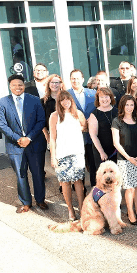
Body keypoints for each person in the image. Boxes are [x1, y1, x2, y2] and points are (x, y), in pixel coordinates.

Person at [0, 74, 47, 213]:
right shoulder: (2, 103)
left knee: (38, 174)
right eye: (14, 85)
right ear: (10, 86)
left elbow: (41, 120)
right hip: (15, 146)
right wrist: (18, 138)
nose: (18, 87)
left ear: (24, 85)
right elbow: (1, 125)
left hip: (34, 143)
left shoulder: (35, 100)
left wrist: (28, 138)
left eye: (20, 84)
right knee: (21, 175)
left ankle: (40, 200)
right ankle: (26, 202)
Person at [112, 94, 137, 225]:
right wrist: (129, 158)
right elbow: (116, 143)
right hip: (125, 160)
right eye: (127, 104)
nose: (129, 107)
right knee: (130, 188)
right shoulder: (117, 121)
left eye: (132, 104)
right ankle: (130, 213)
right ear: (122, 106)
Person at [49, 91, 86, 221]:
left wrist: (75, 132)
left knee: (78, 181)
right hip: (62, 154)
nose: (65, 102)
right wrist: (53, 156)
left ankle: (82, 209)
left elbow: (84, 126)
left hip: (77, 153)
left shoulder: (78, 114)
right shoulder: (54, 116)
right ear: (59, 102)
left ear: (71, 100)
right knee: (65, 182)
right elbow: (52, 138)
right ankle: (70, 210)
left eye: (67, 99)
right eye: (62, 100)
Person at [69, 69, 97, 187]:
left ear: (83, 79)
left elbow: (97, 109)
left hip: (92, 135)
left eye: (78, 78)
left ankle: (94, 186)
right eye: (73, 78)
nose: (75, 81)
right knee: (78, 163)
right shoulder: (66, 94)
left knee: (93, 162)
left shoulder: (93, 93)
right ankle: (80, 187)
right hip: (75, 135)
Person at [88, 87, 118, 173]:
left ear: (111, 97)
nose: (104, 99)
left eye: (106, 96)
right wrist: (102, 152)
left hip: (117, 151)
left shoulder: (117, 111)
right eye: (101, 97)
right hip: (102, 151)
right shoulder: (94, 114)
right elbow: (93, 135)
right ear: (98, 99)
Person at [41, 74, 63, 146]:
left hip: (67, 134)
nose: (54, 84)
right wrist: (48, 138)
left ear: (61, 84)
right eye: (52, 82)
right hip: (51, 136)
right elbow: (42, 122)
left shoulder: (67, 99)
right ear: (48, 84)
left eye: (57, 82)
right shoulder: (43, 102)